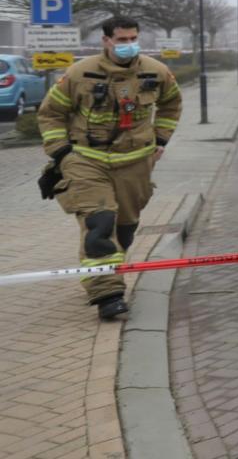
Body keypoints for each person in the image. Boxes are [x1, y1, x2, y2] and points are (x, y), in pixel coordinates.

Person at [37, 16, 182, 320]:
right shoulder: (80, 73)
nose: (128, 45)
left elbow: (171, 104)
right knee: (99, 224)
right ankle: (108, 294)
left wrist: (160, 139)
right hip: (87, 161)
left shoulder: (156, 72)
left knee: (125, 229)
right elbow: (50, 114)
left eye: (133, 39)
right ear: (106, 41)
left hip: (135, 163)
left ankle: (108, 271)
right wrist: (62, 152)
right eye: (121, 40)